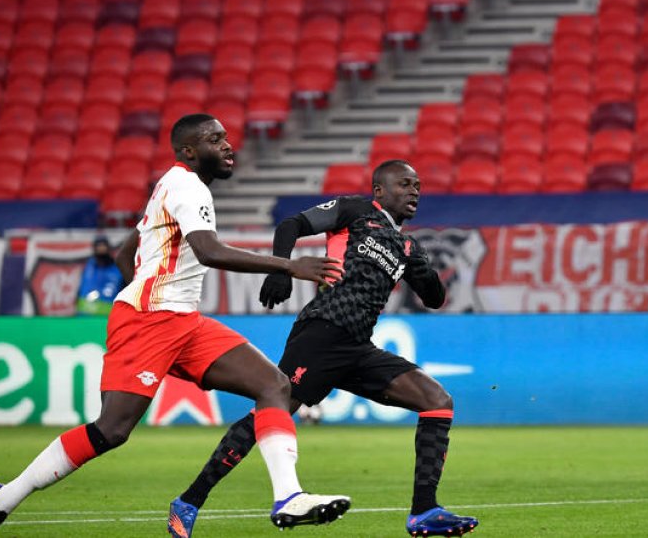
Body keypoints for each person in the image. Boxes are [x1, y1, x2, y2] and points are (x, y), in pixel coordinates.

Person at [0, 114, 351, 538]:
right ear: (189, 151)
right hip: (149, 320)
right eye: (214, 139)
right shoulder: (186, 186)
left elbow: (124, 254)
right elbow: (208, 251)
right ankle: (0, 500)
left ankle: (288, 496)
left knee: (274, 385)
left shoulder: (170, 186)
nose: (227, 145)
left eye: (226, 138)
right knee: (111, 431)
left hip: (182, 320)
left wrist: (155, 290)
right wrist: (289, 266)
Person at [167, 159, 479, 538]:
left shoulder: (408, 244)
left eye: (417, 185)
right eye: (404, 184)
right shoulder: (355, 210)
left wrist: (425, 271)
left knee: (436, 400)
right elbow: (291, 225)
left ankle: (424, 511)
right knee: (271, 412)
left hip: (358, 348)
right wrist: (281, 270)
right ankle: (189, 501)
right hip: (321, 334)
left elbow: (434, 298)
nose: (414, 191)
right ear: (379, 190)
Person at [76, 236, 124, 315]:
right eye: (98, 246)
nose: (101, 249)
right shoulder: (88, 266)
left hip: (107, 317)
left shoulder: (118, 269)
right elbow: (80, 288)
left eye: (103, 246)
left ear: (109, 249)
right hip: (84, 315)